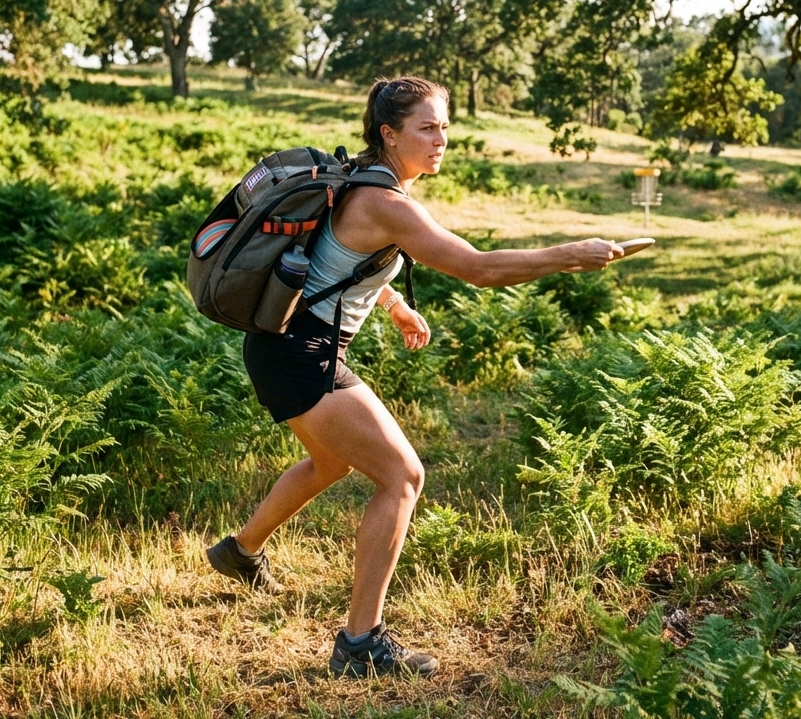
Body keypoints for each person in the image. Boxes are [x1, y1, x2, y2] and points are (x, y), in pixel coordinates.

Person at [206, 75, 623, 679]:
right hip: (299, 352)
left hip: (284, 346)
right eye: (426, 128)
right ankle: (360, 644)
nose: (440, 140)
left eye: (444, 127)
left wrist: (395, 303)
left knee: (331, 463)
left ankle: (240, 551)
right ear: (390, 134)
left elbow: (336, 257)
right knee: (402, 477)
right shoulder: (387, 202)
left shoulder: (363, 181)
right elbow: (478, 269)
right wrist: (568, 255)